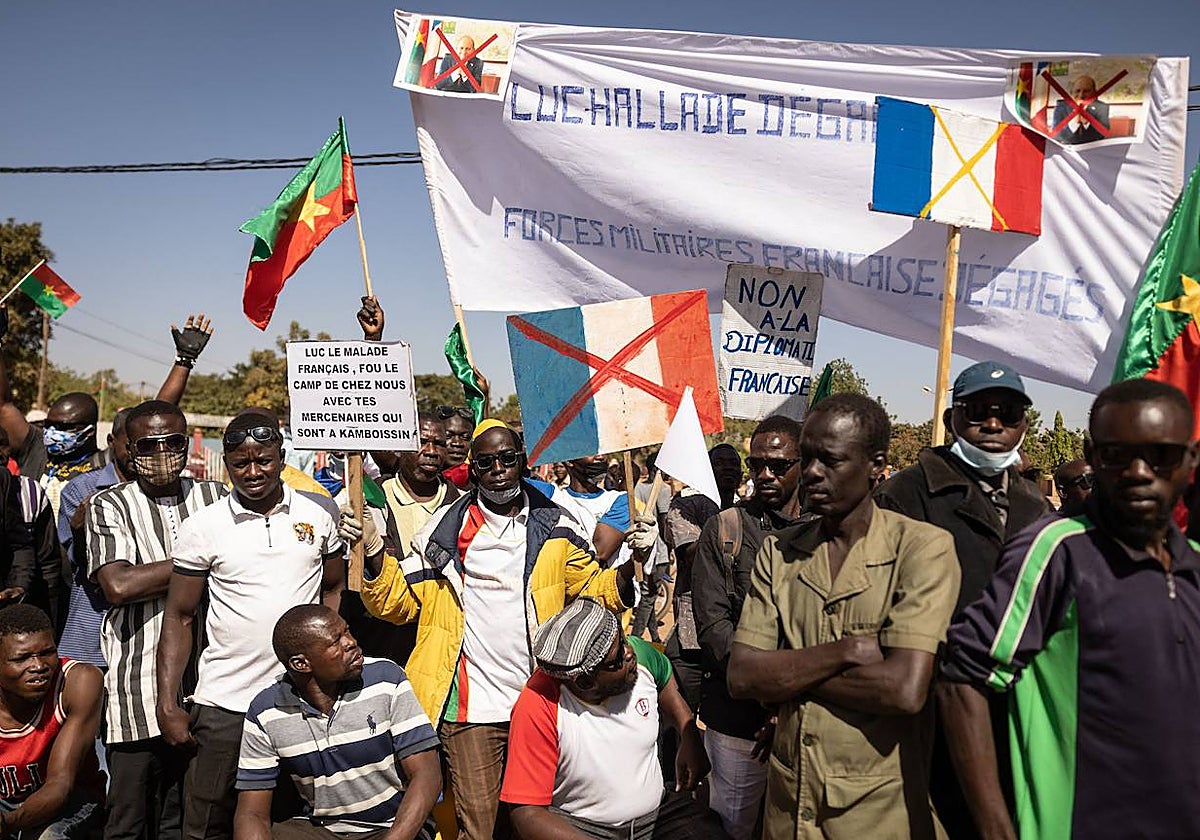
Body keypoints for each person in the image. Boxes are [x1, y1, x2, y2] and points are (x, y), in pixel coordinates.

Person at [343, 420, 640, 840]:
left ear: (521, 461)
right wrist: (373, 552)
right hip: (472, 714)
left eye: (506, 458)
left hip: (543, 702)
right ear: (474, 468)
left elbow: (594, 590)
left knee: (542, 823)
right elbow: (398, 604)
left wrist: (629, 567)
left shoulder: (557, 524)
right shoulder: (442, 533)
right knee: (480, 830)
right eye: (486, 462)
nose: (498, 468)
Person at [939, 379, 1200, 839]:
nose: (1138, 472)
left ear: (1190, 460)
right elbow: (961, 680)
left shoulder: (1194, 564)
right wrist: (996, 829)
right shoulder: (1055, 551)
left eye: (1160, 455)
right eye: (1116, 455)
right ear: (1093, 456)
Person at [728, 393, 960, 839]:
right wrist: (848, 650)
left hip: (877, 815)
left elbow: (903, 689)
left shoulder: (920, 549)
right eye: (808, 458)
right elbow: (742, 676)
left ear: (876, 466)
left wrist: (787, 674)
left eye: (830, 461)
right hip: (788, 812)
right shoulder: (779, 554)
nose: (812, 473)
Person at [875, 360, 1049, 839]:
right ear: (953, 418)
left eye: (1008, 413)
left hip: (1016, 713)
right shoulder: (905, 494)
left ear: (1023, 424)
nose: (993, 424)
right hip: (930, 711)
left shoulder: (1035, 506)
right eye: (978, 412)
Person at [156, 410, 345, 840]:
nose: (253, 472)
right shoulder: (203, 527)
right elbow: (180, 615)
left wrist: (323, 665)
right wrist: (168, 703)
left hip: (300, 701)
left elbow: (333, 589)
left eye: (264, 460)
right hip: (225, 702)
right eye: (240, 463)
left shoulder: (318, 515)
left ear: (282, 456)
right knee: (206, 821)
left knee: (292, 819)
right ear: (227, 464)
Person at [86, 400, 226, 840]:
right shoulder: (108, 505)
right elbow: (119, 585)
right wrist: (204, 560)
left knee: (185, 819)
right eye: (148, 444)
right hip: (137, 687)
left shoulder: (216, 497)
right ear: (127, 447)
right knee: (128, 818)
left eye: (173, 442)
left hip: (209, 685)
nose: (162, 452)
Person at [501, 598, 721, 840]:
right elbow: (527, 813)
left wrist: (688, 732)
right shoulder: (539, 706)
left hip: (658, 815)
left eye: (623, 640)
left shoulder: (639, 658)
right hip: (582, 829)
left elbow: (663, 677)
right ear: (585, 682)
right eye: (616, 660)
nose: (629, 653)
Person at [691, 415, 807, 840]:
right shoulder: (725, 530)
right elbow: (715, 629)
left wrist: (791, 708)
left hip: (807, 722)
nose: (764, 475)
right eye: (756, 464)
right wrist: (768, 698)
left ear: (805, 463)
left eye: (778, 466)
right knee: (733, 828)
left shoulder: (829, 531)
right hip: (740, 724)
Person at [234, 605, 441, 840]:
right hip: (323, 829)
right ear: (301, 664)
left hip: (392, 827)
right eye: (336, 641)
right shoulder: (265, 712)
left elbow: (427, 775)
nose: (351, 642)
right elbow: (252, 813)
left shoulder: (386, 679)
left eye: (347, 631)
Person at [0, 311, 212, 517]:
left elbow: (154, 417)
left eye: (66, 427)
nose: (54, 432)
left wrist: (184, 361)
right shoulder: (35, 450)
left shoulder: (105, 463)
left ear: (90, 431)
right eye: (51, 425)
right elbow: (3, 405)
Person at [0, 604, 105, 839]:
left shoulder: (76, 682)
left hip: (71, 800)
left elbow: (60, 784)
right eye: (22, 658)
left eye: (47, 653)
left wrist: (9, 824)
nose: (38, 666)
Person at [551, 454, 632, 566]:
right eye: (592, 451)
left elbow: (597, 554)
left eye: (603, 451)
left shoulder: (618, 500)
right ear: (569, 461)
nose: (601, 457)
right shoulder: (554, 497)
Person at [1051, 74, 1111, 145]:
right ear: (1071, 92)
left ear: (1094, 93)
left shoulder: (1102, 107)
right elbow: (1056, 135)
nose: (1081, 95)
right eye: (1077, 91)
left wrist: (1087, 122)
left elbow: (1103, 135)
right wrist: (1074, 123)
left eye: (1086, 91)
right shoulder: (1061, 106)